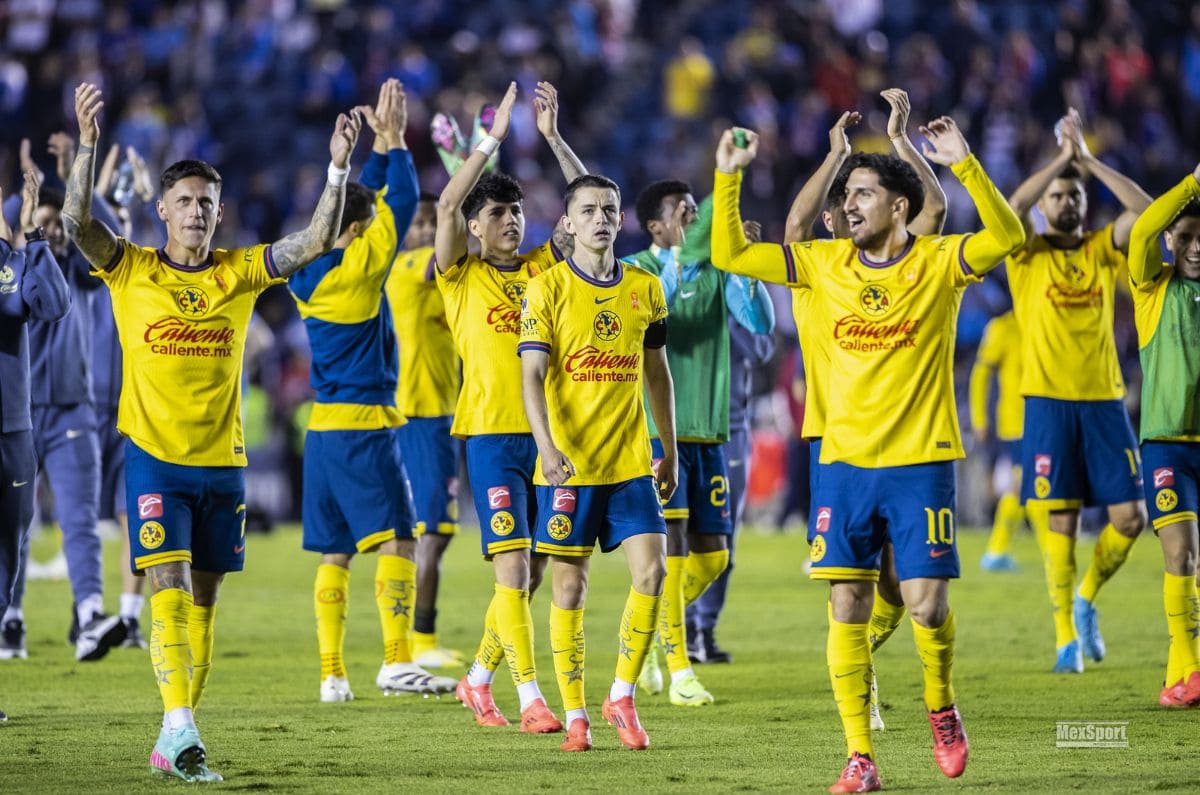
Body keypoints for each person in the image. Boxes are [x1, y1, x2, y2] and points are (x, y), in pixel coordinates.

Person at [711, 117, 1025, 791]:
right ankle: (859, 755)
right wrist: (728, 175)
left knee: (926, 604)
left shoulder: (938, 262)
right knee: (847, 605)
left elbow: (1008, 237)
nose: (847, 204)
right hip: (844, 464)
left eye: (861, 193)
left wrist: (966, 163)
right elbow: (734, 254)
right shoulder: (824, 265)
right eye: (846, 193)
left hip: (920, 460)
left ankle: (941, 704)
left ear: (899, 207)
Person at [63, 80, 361, 782]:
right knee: (164, 582)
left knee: (203, 600)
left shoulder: (239, 273)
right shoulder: (130, 268)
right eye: (185, 201)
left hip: (221, 464)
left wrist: (339, 167)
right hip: (154, 458)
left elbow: (316, 239)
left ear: (219, 212)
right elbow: (78, 222)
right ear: (161, 210)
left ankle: (175, 734)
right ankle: (179, 725)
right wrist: (86, 145)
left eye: (207, 202)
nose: (197, 211)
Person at [782, 89, 950, 734]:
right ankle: (863, 687)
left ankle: (868, 666)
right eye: (837, 209)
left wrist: (904, 143)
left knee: (901, 585)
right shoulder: (818, 272)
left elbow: (932, 210)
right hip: (836, 433)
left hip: (896, 431)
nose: (841, 219)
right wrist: (834, 156)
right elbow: (795, 232)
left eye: (854, 204)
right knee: (859, 583)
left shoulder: (889, 264)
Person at [287, 80, 455, 702]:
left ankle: (333, 674)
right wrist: (394, 138)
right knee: (400, 539)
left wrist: (370, 158)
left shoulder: (309, 274)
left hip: (323, 434)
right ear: (357, 233)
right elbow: (404, 201)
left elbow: (372, 198)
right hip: (365, 428)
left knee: (335, 554)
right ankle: (395, 659)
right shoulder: (360, 273)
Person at [435, 81, 583, 733]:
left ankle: (476, 680)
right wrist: (492, 141)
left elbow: (587, 211)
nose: (512, 222)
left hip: (547, 437)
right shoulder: (458, 274)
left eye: (517, 214)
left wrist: (552, 138)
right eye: (498, 215)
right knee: (516, 567)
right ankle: (530, 698)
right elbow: (444, 204)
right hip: (491, 435)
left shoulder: (542, 271)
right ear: (476, 226)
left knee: (532, 572)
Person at [520, 173, 675, 752]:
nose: (601, 218)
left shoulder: (646, 287)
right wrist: (546, 447)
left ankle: (622, 694)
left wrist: (670, 447)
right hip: (570, 467)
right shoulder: (547, 290)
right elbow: (531, 377)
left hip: (631, 461)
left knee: (653, 573)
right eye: (588, 210)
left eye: (609, 209)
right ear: (568, 222)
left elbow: (658, 374)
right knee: (569, 587)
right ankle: (576, 713)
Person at [1007, 108, 1151, 673]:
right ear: (1046, 206)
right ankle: (1065, 633)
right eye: (1059, 197)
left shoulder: (1100, 248)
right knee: (1060, 522)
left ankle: (1087, 596)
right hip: (1045, 401)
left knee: (1131, 519)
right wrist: (1059, 161)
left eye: (1076, 196)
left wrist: (1087, 160)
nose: (1068, 203)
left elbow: (1144, 212)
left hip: (1103, 401)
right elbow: (1012, 207)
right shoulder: (1025, 252)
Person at [626, 178, 774, 705]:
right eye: (684, 212)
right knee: (676, 544)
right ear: (657, 227)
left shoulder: (715, 267)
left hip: (713, 429)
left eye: (696, 210)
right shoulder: (637, 271)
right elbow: (657, 314)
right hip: (658, 431)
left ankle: (640, 627)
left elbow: (759, 323)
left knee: (714, 555)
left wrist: (745, 266)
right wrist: (680, 260)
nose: (693, 219)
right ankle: (680, 669)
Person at [1126, 162, 1200, 707]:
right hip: (1166, 442)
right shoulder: (1152, 288)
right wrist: (1193, 184)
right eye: (1188, 236)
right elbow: (1140, 230)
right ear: (1172, 240)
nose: (1196, 246)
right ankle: (1192, 670)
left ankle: (1181, 679)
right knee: (1181, 556)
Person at [0, 169, 72, 720]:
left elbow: (52, 306)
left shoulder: (18, 260)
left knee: (9, 552)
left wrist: (33, 240)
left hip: (14, 430)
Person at [385, 189, 465, 670]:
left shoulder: (444, 284)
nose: (426, 230)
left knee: (435, 532)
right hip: (418, 416)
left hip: (440, 417)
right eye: (418, 222)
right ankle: (420, 640)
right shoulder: (406, 270)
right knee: (429, 533)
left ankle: (418, 637)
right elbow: (448, 254)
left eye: (432, 222)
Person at [686, 310, 775, 664]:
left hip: (731, 428)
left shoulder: (738, 290)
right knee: (676, 537)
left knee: (723, 537)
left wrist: (725, 313)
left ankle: (704, 628)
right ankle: (681, 628)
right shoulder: (667, 279)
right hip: (679, 429)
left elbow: (762, 349)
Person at [968, 310, 1025, 572]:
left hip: (1050, 419)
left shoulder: (1049, 319)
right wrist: (979, 418)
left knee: (1028, 485)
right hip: (1017, 423)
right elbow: (981, 374)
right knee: (1023, 484)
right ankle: (996, 550)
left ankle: (997, 550)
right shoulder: (1003, 327)